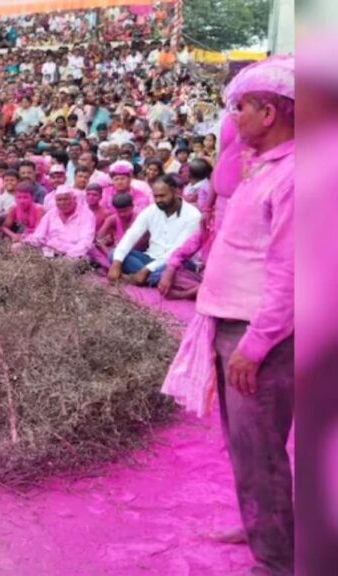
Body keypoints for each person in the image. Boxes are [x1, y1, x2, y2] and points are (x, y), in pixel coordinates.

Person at [171, 57, 295, 575]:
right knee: (246, 446)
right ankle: (263, 523)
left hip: (257, 336)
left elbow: (291, 274)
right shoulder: (261, 165)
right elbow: (222, 179)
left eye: (239, 107)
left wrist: (255, 345)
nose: (231, 117)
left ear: (268, 113)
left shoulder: (294, 176)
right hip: (236, 326)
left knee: (260, 448)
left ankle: (275, 560)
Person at [108, 174, 201, 286]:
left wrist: (146, 270)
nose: (158, 200)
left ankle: (148, 278)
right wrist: (116, 263)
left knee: (169, 271)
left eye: (162, 196)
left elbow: (178, 251)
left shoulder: (193, 215)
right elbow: (132, 234)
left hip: (178, 263)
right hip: (150, 258)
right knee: (114, 254)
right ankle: (151, 280)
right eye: (155, 196)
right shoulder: (151, 210)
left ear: (175, 192)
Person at [16, 184, 96, 259]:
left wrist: (69, 256)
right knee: (17, 248)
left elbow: (86, 241)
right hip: (50, 250)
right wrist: (25, 242)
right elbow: (39, 236)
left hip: (75, 254)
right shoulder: (51, 213)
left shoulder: (86, 215)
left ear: (74, 199)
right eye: (59, 200)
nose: (62, 203)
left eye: (66, 199)